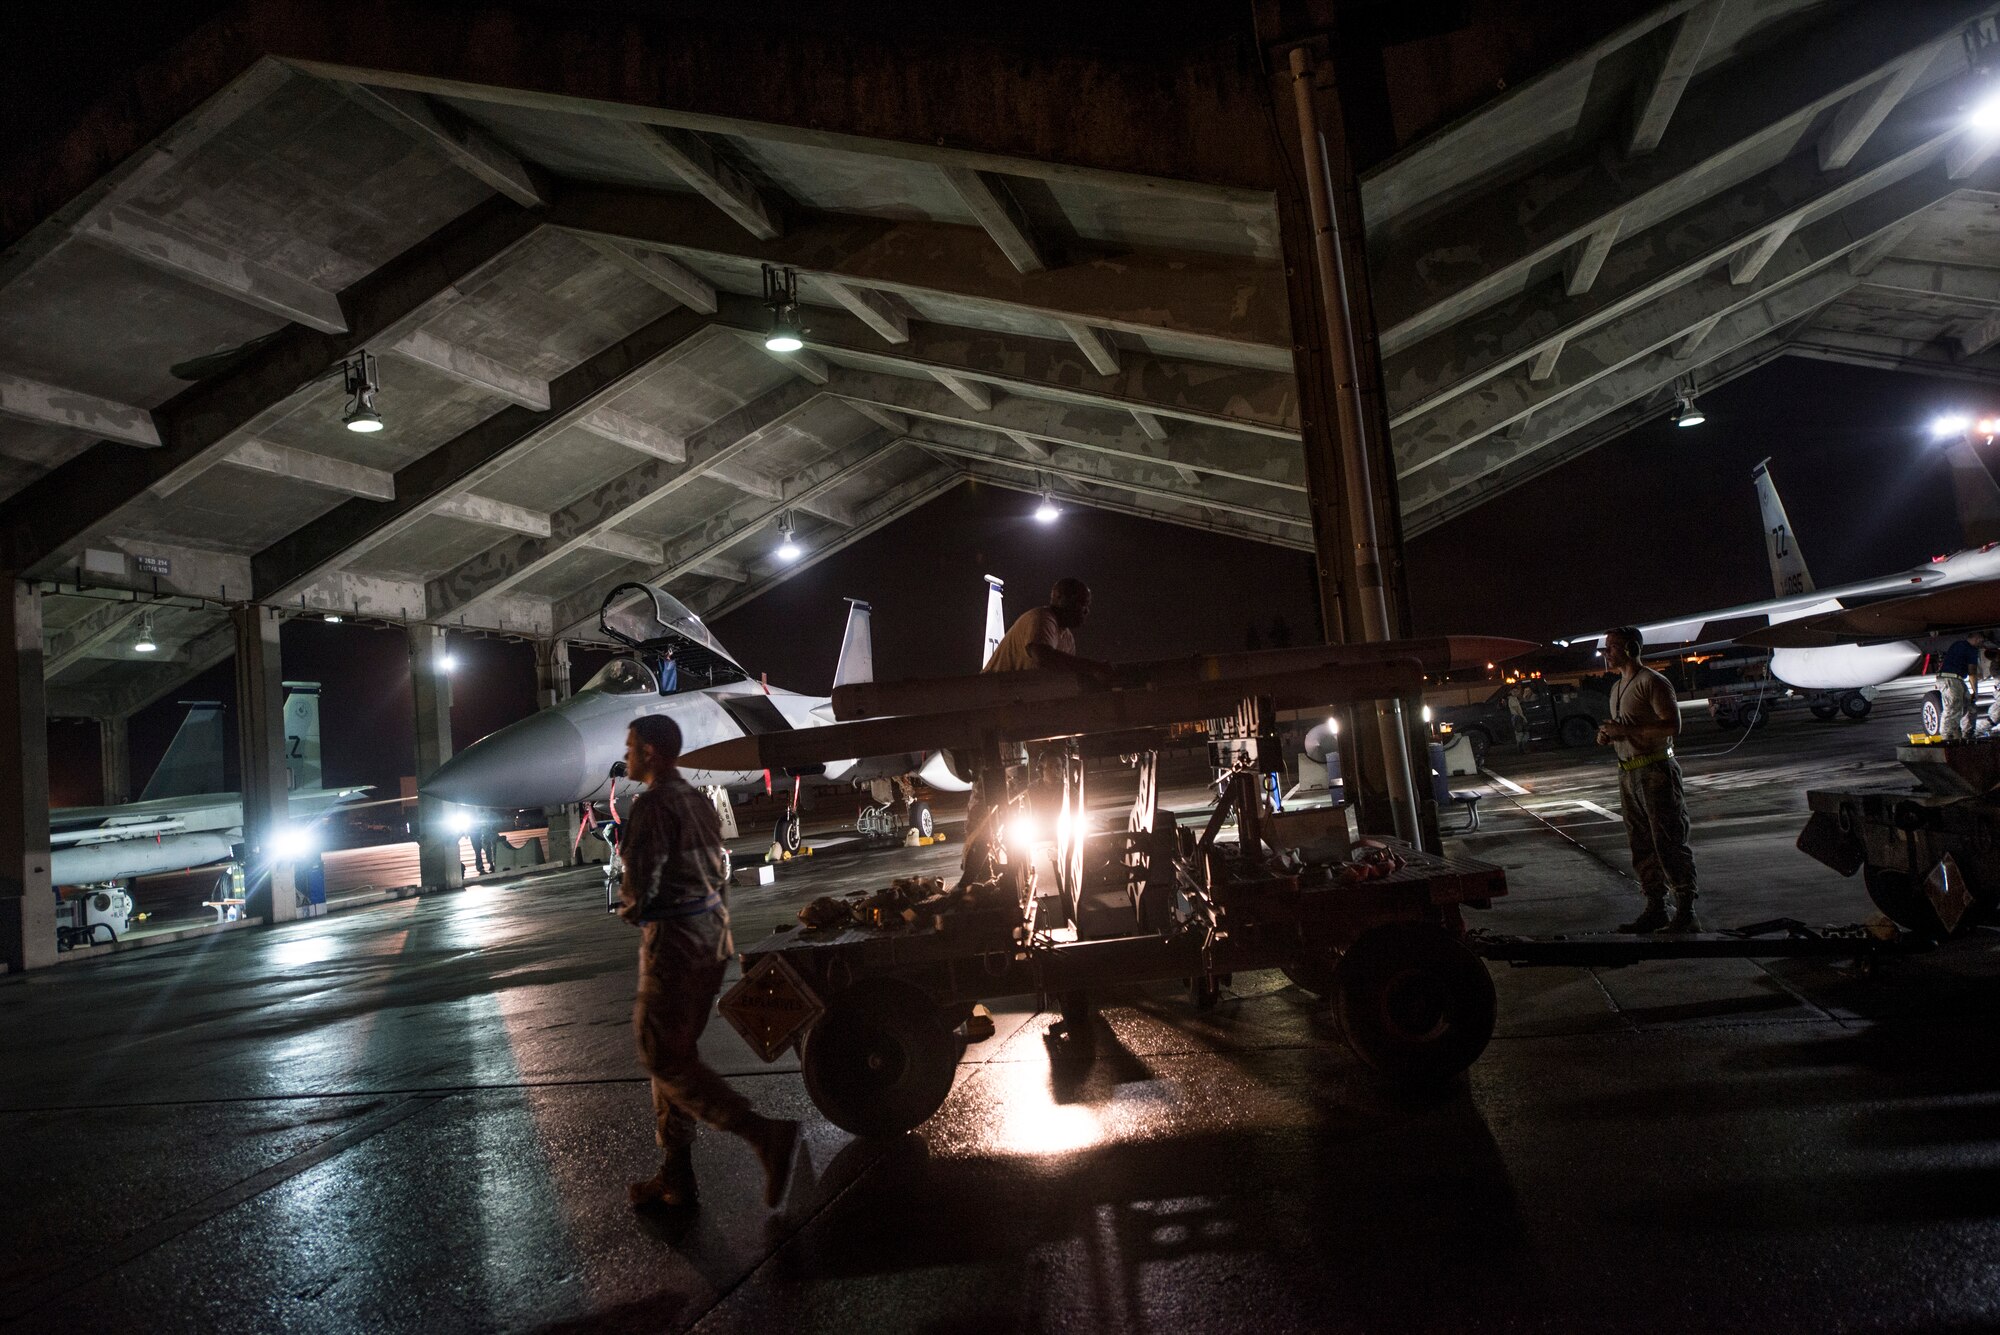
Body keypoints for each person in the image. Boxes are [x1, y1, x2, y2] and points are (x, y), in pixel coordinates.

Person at [618, 714, 798, 1212]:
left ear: (651, 752)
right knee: (679, 1058)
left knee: (661, 1055)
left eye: (631, 745)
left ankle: (763, 1134)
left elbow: (641, 889)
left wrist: (631, 908)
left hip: (674, 945)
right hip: (712, 939)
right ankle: (676, 1176)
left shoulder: (652, 806)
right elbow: (720, 869)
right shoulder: (698, 800)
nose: (626, 753)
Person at [1596, 626, 1701, 934]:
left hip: (1656, 772)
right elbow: (1624, 727)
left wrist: (1625, 732)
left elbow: (1672, 725)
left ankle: (1686, 910)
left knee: (1668, 840)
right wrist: (1608, 735)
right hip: (1628, 772)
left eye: (1611, 648)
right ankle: (1656, 908)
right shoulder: (1616, 688)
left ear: (1630, 648)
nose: (1606, 654)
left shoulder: (1652, 682)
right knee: (1641, 843)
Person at [982, 577, 1113, 680]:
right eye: (1081, 603)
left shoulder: (1067, 638)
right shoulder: (1042, 618)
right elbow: (1044, 657)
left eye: (1087, 605)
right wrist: (1095, 668)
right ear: (1059, 598)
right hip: (990, 694)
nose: (1086, 611)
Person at [1936, 632, 1986, 741]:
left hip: (1953, 679)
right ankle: (1947, 739)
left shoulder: (1957, 644)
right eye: (1982, 641)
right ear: (1977, 639)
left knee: (1969, 707)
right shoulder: (1971, 649)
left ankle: (1963, 736)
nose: (1982, 644)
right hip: (1951, 680)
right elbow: (1972, 672)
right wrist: (1975, 691)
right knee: (1952, 708)